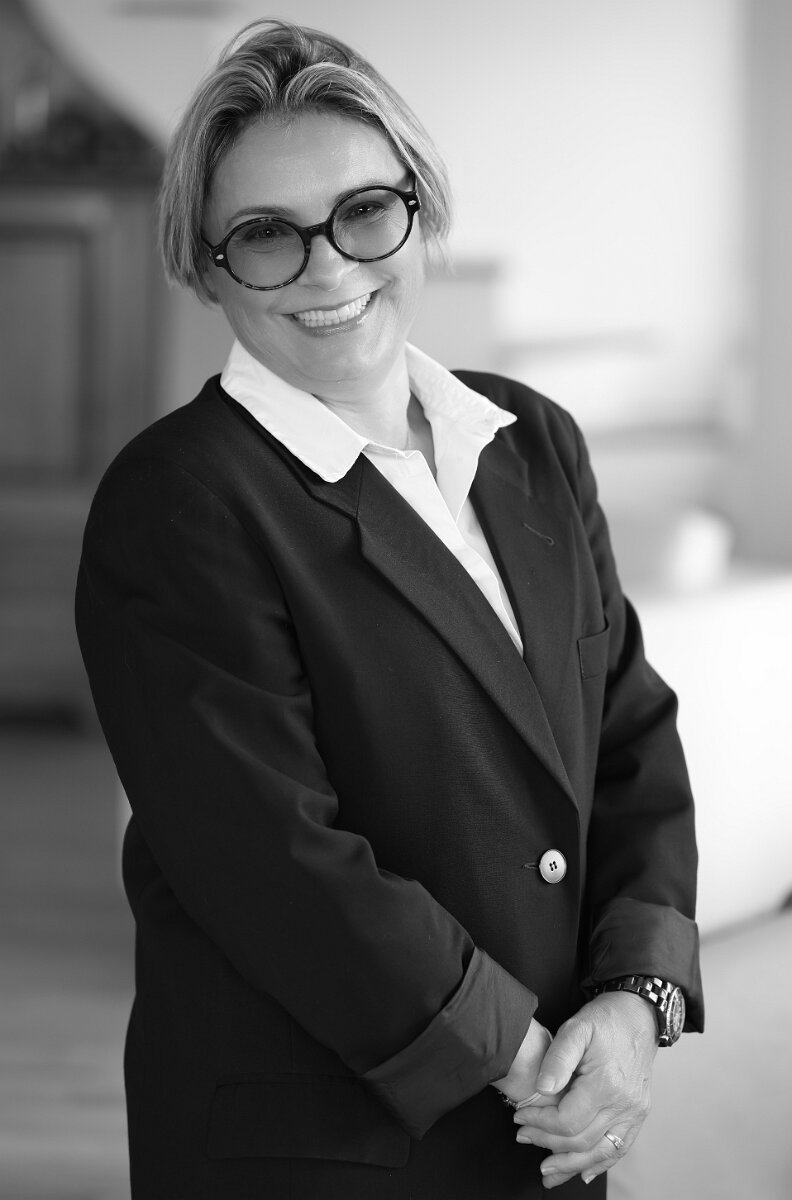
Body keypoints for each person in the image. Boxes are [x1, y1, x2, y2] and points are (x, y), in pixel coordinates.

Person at [75, 19, 703, 1200]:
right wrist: (533, 1063)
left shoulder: (533, 442)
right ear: (206, 266)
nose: (329, 269)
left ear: (421, 209)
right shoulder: (176, 502)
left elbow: (628, 738)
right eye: (267, 234)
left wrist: (635, 996)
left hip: (553, 1120)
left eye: (366, 211)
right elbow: (273, 860)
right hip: (328, 1148)